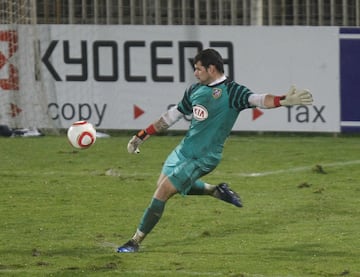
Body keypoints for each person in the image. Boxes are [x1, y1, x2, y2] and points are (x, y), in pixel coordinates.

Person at [117, 48, 313, 253]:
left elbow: (259, 99)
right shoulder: (194, 91)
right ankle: (214, 190)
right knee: (162, 184)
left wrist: (282, 100)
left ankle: (135, 241)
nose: (195, 73)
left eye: (198, 69)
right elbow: (169, 117)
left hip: (203, 158)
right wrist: (141, 136)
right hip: (183, 151)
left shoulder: (233, 91)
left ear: (211, 69)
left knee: (163, 191)